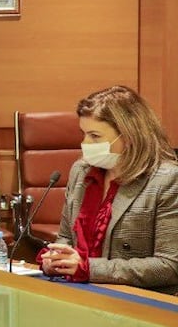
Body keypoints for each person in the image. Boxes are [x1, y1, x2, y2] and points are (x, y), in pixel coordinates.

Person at [40, 85, 178, 292]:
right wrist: (57, 258)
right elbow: (66, 237)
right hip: (80, 292)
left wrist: (89, 268)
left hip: (139, 302)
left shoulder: (166, 179)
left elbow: (169, 266)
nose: (84, 143)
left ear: (129, 136)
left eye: (95, 136)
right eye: (84, 134)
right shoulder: (81, 171)